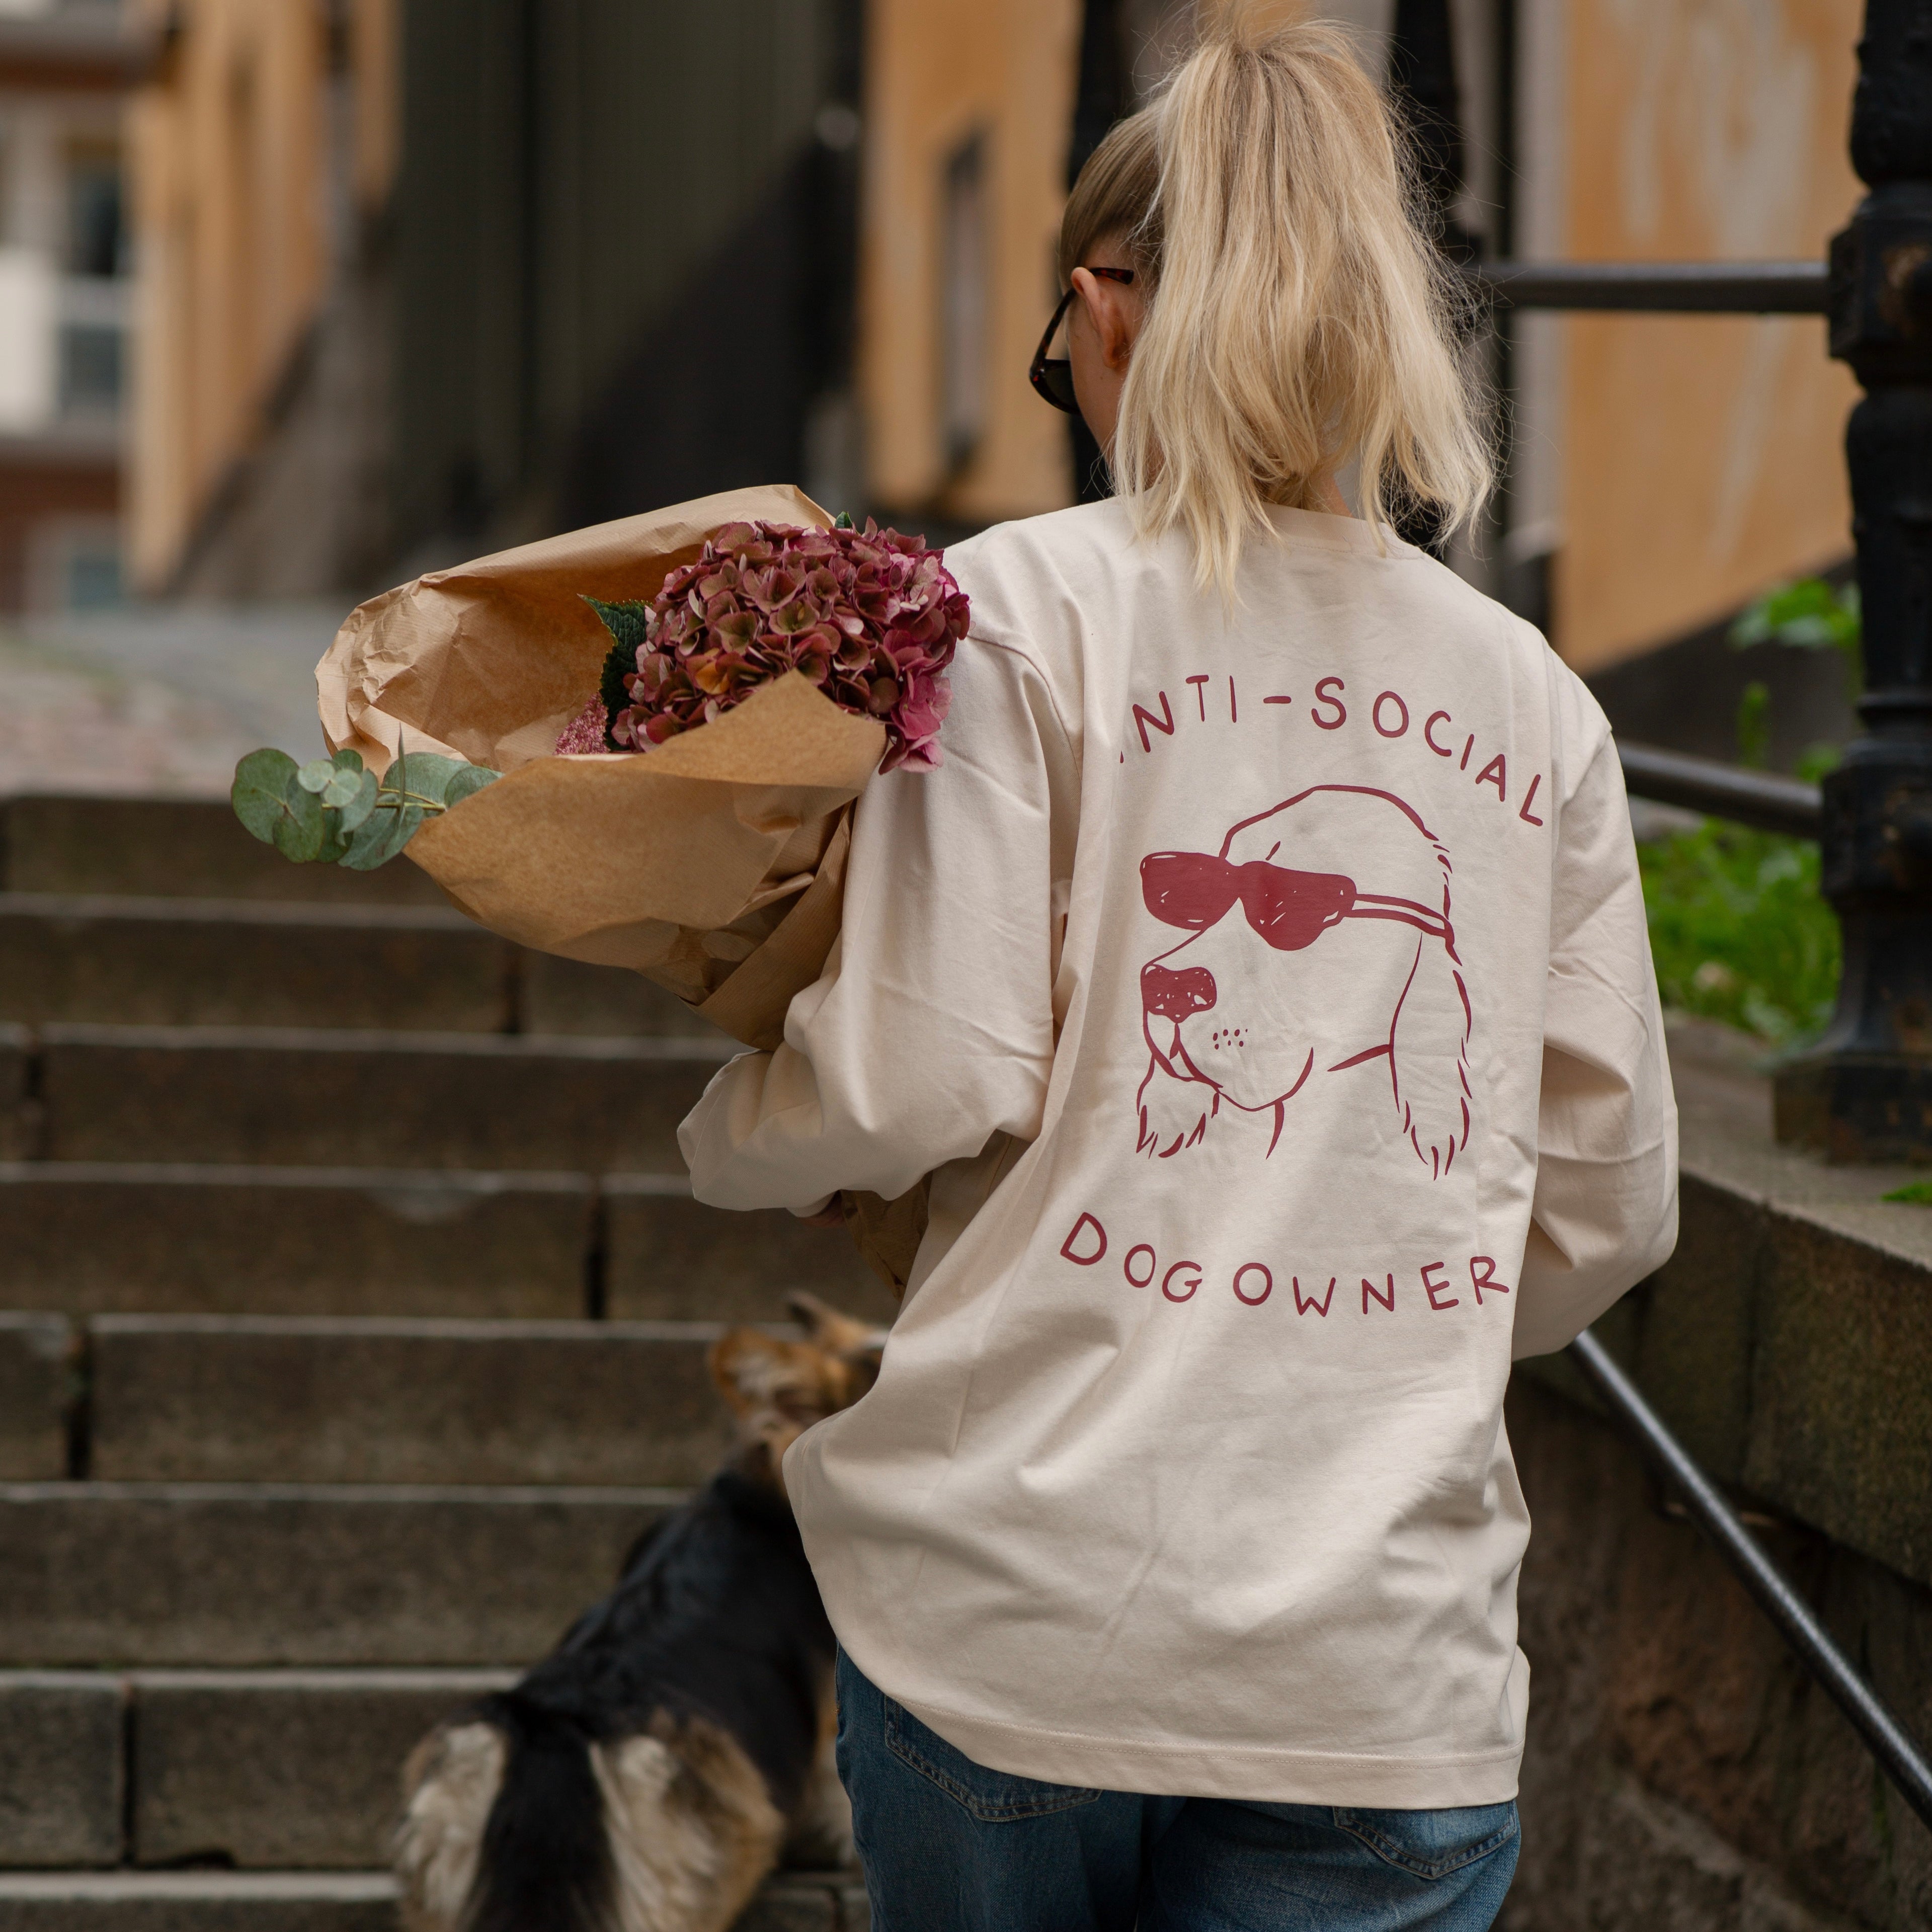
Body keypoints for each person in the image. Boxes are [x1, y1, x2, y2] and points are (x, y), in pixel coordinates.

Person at [678, 14, 1677, 1930]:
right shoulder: (1530, 705)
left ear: (1102, 306)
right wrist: (1365, 1301)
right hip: (1377, 1669)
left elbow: (914, 1080)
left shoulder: (1018, 616)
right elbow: (1608, 1210)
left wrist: (735, 1132)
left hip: (1019, 1623)